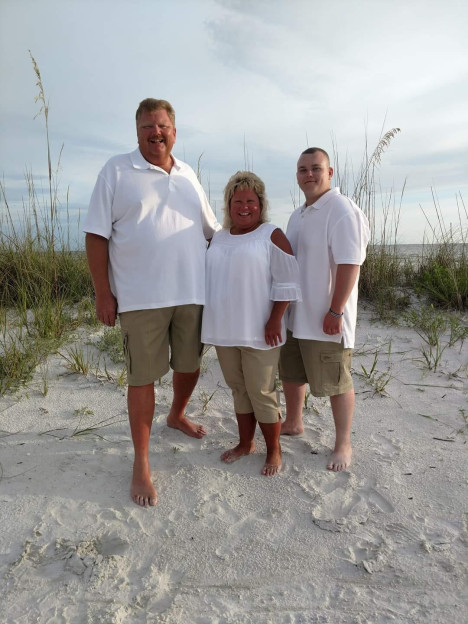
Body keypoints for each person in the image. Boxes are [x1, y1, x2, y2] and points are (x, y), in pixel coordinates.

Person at [84, 98, 220, 507]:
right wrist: (103, 292)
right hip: (140, 297)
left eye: (162, 126)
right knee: (141, 378)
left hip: (191, 293)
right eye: (147, 126)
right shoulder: (116, 170)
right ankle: (141, 462)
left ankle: (176, 415)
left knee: (190, 365)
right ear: (137, 131)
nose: (155, 133)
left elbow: (213, 232)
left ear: (174, 132)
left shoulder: (188, 174)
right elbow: (96, 235)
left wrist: (260, 240)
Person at [202, 171, 301, 476]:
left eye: (250, 201)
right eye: (238, 201)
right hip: (224, 330)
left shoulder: (271, 234)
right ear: (228, 205)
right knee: (238, 389)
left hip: (260, 331)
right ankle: (245, 443)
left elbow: (288, 281)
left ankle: (274, 450)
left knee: (261, 390)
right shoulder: (218, 237)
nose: (244, 207)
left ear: (261, 204)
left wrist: (275, 320)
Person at [279, 147, 370, 472]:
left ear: (329, 173)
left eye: (316, 168)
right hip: (296, 315)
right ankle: (293, 422)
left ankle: (343, 443)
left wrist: (335, 311)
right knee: (291, 373)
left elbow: (350, 264)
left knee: (336, 380)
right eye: (302, 169)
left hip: (326, 318)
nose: (309, 175)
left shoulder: (342, 210)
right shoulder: (298, 215)